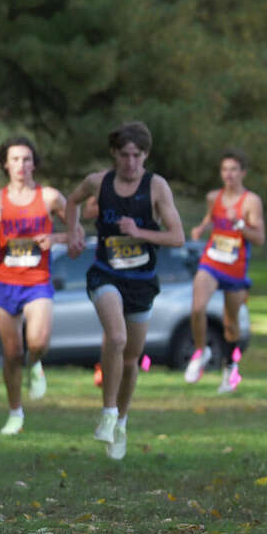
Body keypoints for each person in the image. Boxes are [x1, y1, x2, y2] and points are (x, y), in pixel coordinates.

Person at [65, 121, 185, 460]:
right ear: (114, 154)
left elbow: (177, 237)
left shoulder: (156, 187)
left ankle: (122, 420)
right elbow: (72, 201)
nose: (131, 162)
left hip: (142, 281)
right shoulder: (98, 182)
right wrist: (73, 230)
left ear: (145, 155)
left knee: (131, 359)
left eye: (137, 155)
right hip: (105, 273)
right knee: (115, 339)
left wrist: (138, 233)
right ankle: (107, 413)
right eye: (124, 155)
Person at [0, 136, 75, 436]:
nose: (21, 165)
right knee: (11, 352)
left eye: (26, 159)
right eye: (15, 159)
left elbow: (77, 233)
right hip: (5, 282)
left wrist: (55, 238)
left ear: (34, 163)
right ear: (5, 164)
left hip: (37, 282)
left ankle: (37, 364)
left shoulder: (49, 198)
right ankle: (15, 412)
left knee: (38, 341)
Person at [184, 149, 265, 392]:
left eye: (233, 169)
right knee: (198, 307)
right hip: (212, 260)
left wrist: (238, 223)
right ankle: (201, 351)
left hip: (236, 267)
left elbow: (259, 237)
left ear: (242, 173)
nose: (228, 174)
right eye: (224, 170)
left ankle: (230, 368)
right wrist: (200, 228)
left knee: (231, 325)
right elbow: (211, 217)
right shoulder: (213, 197)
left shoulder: (251, 201)